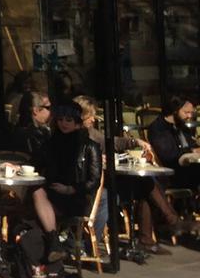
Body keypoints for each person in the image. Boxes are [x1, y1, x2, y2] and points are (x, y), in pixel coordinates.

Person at [77, 95, 187, 255]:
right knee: (143, 186)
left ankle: (150, 237)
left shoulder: (92, 132)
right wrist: (94, 158)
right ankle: (168, 224)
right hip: (96, 183)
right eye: (90, 116)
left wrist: (135, 142)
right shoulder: (76, 135)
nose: (93, 119)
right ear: (81, 115)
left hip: (108, 178)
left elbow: (112, 142)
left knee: (146, 183)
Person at [28, 102, 101, 263]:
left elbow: (93, 181)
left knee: (34, 211)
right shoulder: (50, 144)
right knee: (36, 191)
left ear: (77, 123)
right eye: (60, 119)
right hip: (51, 195)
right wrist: (16, 167)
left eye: (68, 120)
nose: (64, 123)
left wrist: (70, 189)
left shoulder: (90, 146)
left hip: (76, 197)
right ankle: (54, 244)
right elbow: (34, 165)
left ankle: (52, 247)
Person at [147, 96, 200, 190]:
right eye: (186, 112)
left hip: (190, 168)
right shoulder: (158, 128)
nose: (190, 116)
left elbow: (192, 145)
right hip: (173, 174)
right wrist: (190, 152)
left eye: (191, 113)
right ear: (175, 111)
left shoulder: (182, 126)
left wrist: (195, 149)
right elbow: (169, 156)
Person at [12, 91, 53, 158]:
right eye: (48, 108)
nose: (51, 111)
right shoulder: (28, 136)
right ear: (36, 110)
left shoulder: (43, 131)